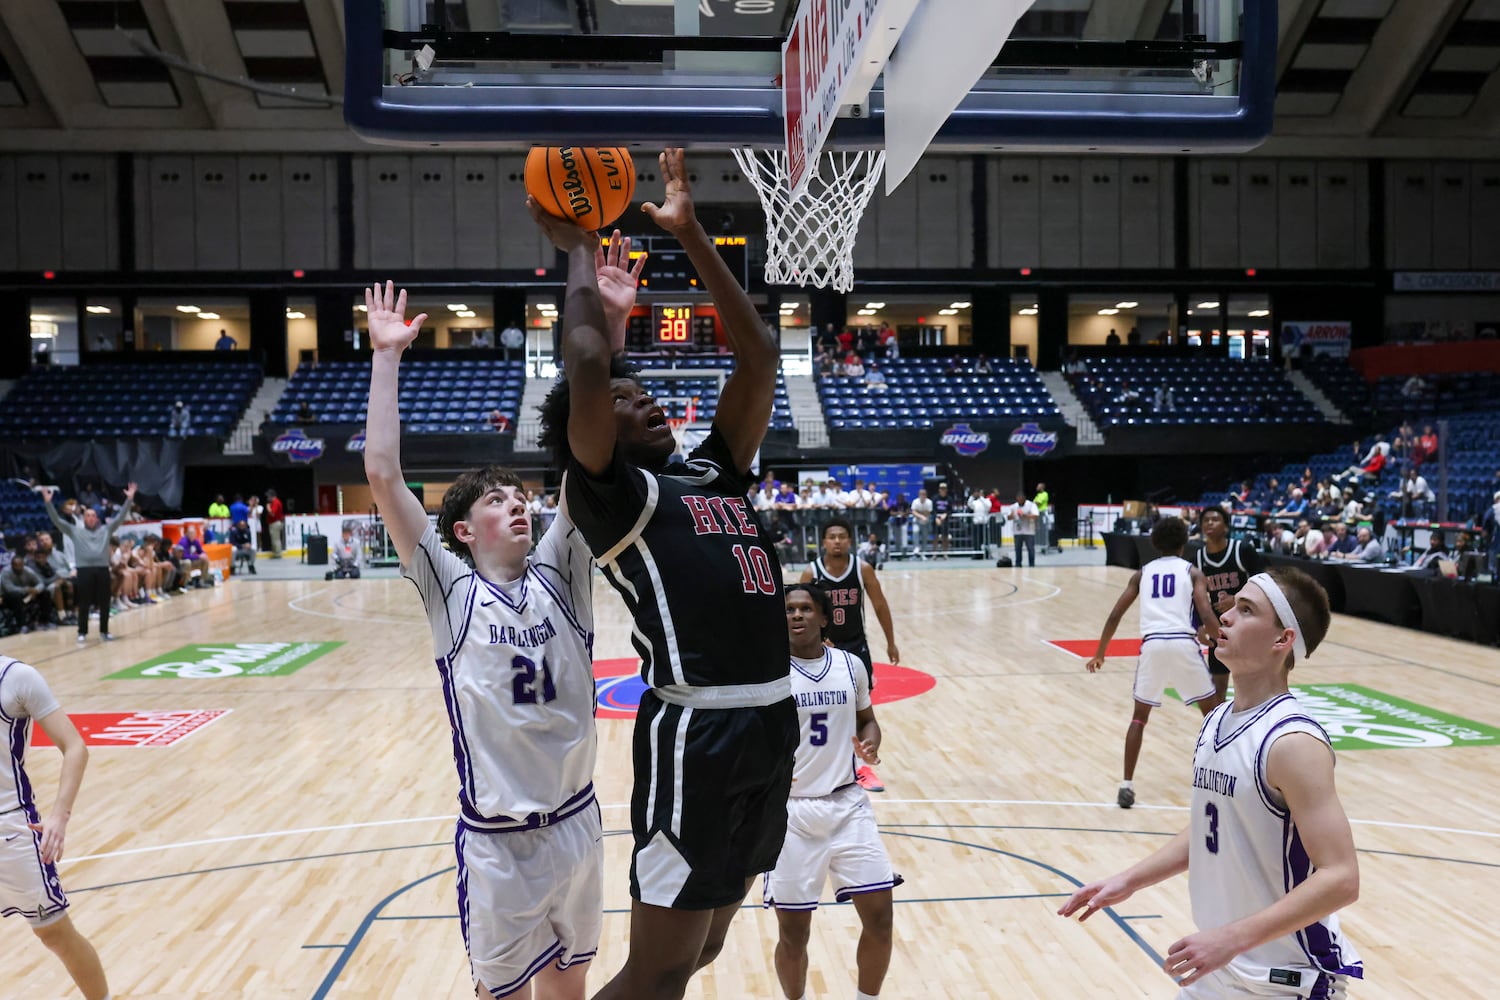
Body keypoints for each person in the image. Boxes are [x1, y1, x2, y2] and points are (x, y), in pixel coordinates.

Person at [531, 149, 798, 1000]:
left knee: (706, 947)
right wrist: (577, 246)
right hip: (697, 736)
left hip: (770, 725)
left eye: (643, 390)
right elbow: (582, 364)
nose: (641, 397)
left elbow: (758, 358)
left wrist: (691, 234)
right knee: (660, 971)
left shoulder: (714, 472)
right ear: (588, 425)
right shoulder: (611, 494)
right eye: (622, 396)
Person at [364, 280, 602, 999]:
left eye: (519, 497)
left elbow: (591, 461)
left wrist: (609, 334)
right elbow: (381, 473)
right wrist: (385, 357)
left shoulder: (564, 571)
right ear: (463, 531)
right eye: (497, 502)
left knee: (573, 990)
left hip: (580, 822)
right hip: (501, 844)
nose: (518, 505)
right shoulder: (453, 589)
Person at [1061, 567, 1363, 998]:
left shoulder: (1293, 742)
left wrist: (1231, 938)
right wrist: (1129, 880)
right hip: (1218, 968)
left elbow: (1342, 878)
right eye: (1231, 605)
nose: (1225, 616)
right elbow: (1212, 825)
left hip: (1281, 981)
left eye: (1246, 610)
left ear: (1283, 640)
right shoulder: (1218, 718)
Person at [766, 584, 900, 1000]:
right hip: (791, 813)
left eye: (806, 608)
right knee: (794, 934)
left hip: (847, 803)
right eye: (789, 609)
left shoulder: (850, 665)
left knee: (880, 919)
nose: (797, 615)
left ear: (824, 618)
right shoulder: (768, 672)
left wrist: (871, 743)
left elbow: (867, 719)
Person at [1084, 517, 1222, 809]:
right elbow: (1206, 613)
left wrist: (1100, 653)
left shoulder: (1142, 574)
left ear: (1155, 544)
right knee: (1213, 716)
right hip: (1184, 643)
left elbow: (1114, 616)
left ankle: (1126, 785)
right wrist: (1221, 639)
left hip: (1154, 645)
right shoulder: (1193, 572)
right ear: (1185, 543)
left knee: (1139, 718)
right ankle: (1223, 778)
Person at [0, 656, 114, 1000]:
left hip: (11, 830)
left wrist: (59, 816)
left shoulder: (16, 677)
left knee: (54, 934)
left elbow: (75, 747)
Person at [801, 518, 901, 793]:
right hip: (823, 650)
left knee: (859, 711)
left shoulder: (862, 568)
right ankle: (817, 762)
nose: (836, 541)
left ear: (850, 541)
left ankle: (861, 767)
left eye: (841, 537)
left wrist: (891, 642)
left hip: (856, 647)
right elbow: (798, 610)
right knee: (819, 707)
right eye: (831, 537)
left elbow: (880, 605)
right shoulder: (812, 572)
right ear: (823, 542)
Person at [42, 483, 135, 643]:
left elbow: (120, 517)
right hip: (84, 570)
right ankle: (82, 631)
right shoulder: (75, 530)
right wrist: (48, 503)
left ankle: (104, 631)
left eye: (93, 516)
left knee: (105, 602)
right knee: (83, 602)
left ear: (97, 518)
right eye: (88, 516)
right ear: (83, 518)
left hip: (102, 569)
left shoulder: (106, 530)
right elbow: (56, 520)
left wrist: (129, 499)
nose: (90, 518)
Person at [1194, 506, 1265, 703]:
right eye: (1205, 520)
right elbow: (1194, 599)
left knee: (1252, 686)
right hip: (1219, 631)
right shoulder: (1198, 558)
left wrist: (1237, 599)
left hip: (1248, 627)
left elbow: (1265, 585)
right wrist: (1198, 625)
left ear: (1226, 526)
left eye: (1215, 520)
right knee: (1217, 690)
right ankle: (1221, 732)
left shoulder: (1242, 551)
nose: (1209, 523)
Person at [2, 555, 49, 633]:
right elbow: (9, 589)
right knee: (16, 596)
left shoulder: (28, 571)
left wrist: (36, 590)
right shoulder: (5, 572)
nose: (19, 568)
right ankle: (22, 625)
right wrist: (26, 590)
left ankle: (44, 621)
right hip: (9, 596)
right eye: (16, 566)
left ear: (23, 565)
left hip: (27, 594)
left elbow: (40, 583)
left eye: (21, 566)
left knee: (45, 593)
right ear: (12, 565)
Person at [1005, 490, 1040, 568]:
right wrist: (1012, 515)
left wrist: (1025, 516)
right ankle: (1018, 564)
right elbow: (1008, 517)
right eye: (1018, 499)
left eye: (1021, 499)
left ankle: (1031, 564)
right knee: (1017, 549)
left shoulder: (1031, 505)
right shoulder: (1013, 506)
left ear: (1024, 498)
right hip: (1017, 531)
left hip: (1029, 531)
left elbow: (1036, 516)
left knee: (1030, 548)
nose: (1020, 500)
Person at [931, 481, 953, 558]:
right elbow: (933, 510)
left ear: (946, 489)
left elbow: (951, 510)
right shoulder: (934, 498)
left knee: (945, 537)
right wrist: (936, 517)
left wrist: (946, 514)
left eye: (944, 488)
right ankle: (934, 553)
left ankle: (945, 553)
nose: (943, 490)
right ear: (939, 489)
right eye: (941, 488)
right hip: (936, 519)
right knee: (935, 537)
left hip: (945, 519)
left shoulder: (949, 498)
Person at [265, 488, 285, 558]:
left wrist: (268, 508)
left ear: (271, 496)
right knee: (274, 538)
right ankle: (276, 553)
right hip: (274, 523)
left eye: (268, 496)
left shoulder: (275, 502)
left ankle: (278, 554)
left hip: (275, 523)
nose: (267, 498)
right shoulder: (275, 502)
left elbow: (272, 513)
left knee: (276, 539)